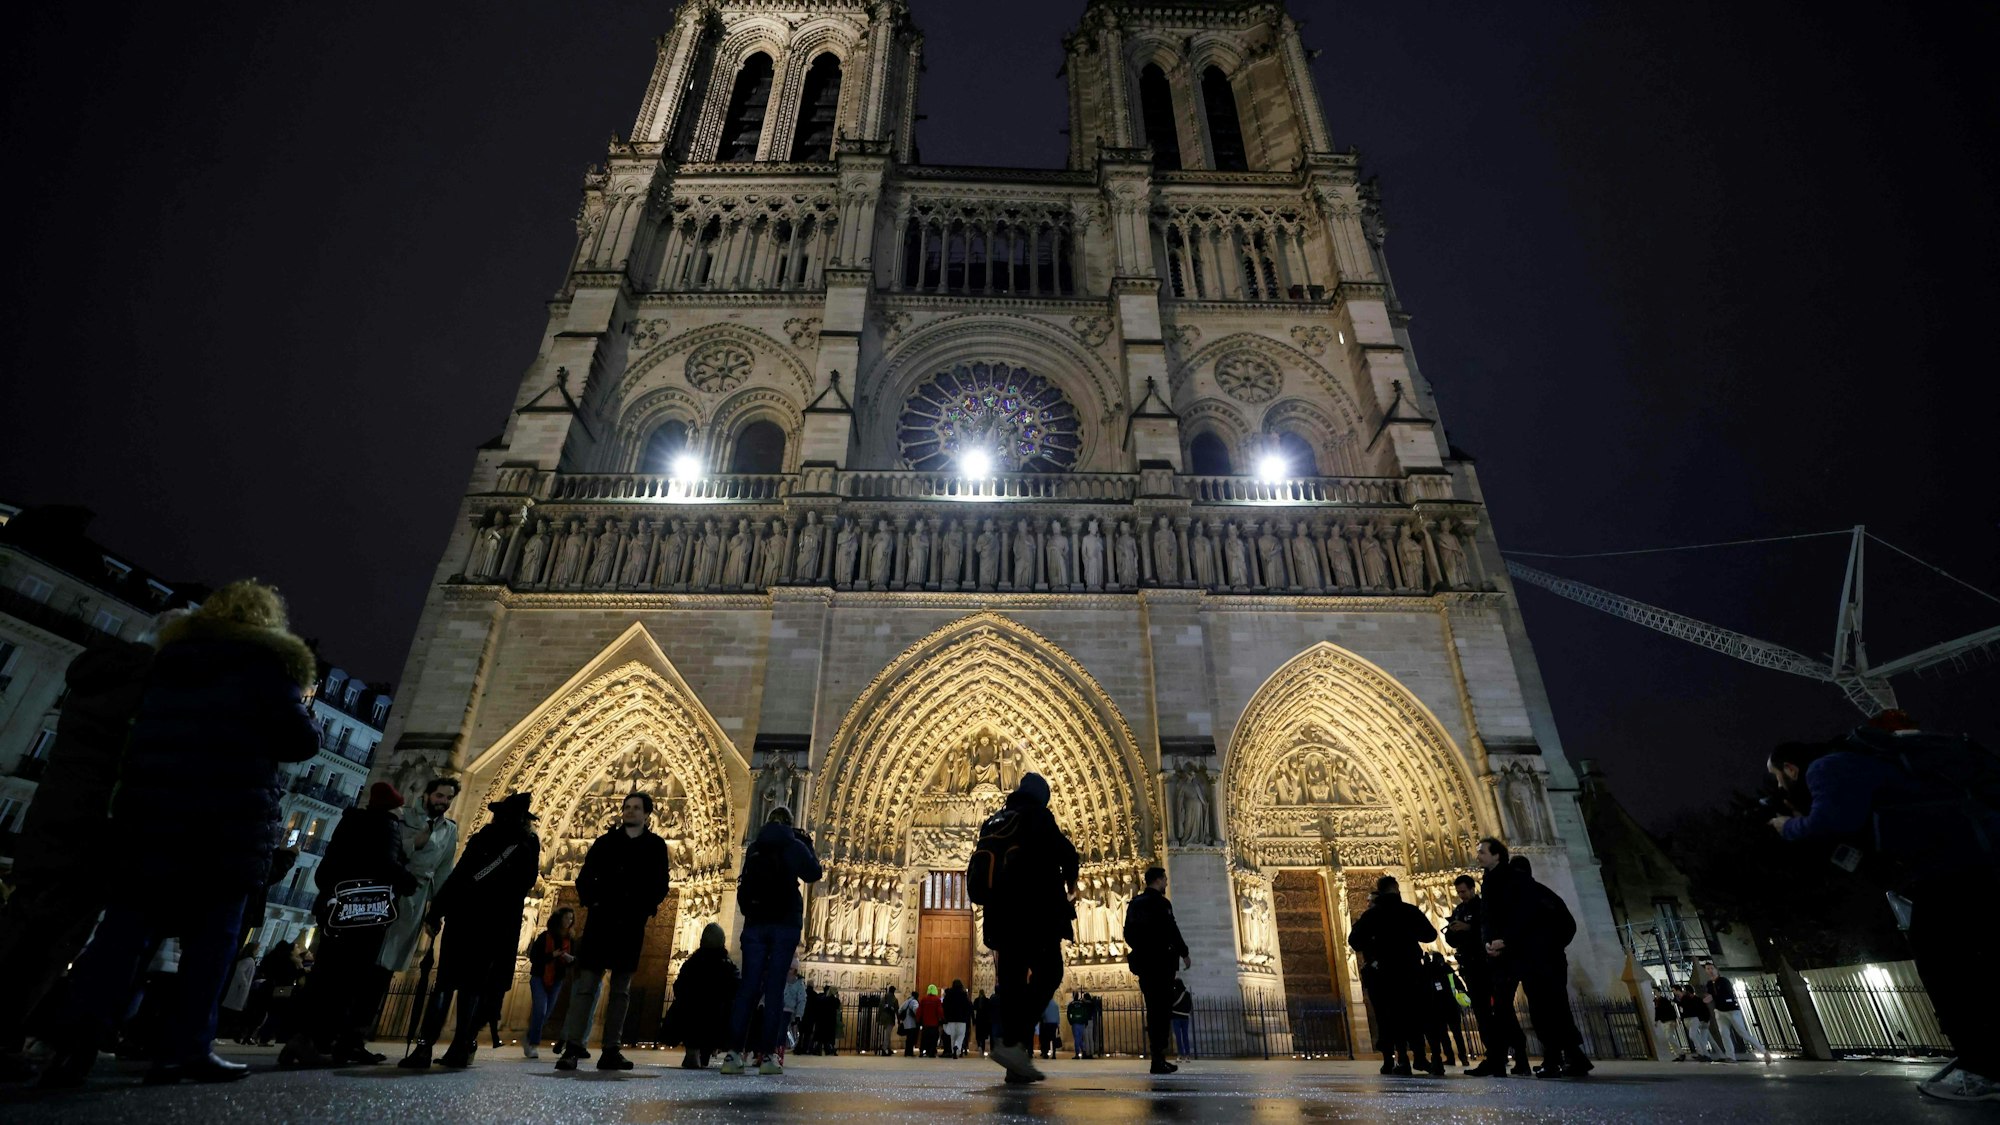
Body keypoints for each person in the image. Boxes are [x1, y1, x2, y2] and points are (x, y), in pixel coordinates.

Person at [38, 585, 320, 1087]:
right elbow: (301, 741)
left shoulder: (165, 662)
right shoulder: (263, 667)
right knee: (212, 942)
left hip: (150, 816)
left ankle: (71, 1043)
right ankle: (183, 1050)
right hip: (224, 822)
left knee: (124, 933)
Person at [1768, 718, 2000, 1102]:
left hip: (1953, 865)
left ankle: (1983, 1068)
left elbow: (1831, 822)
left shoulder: (1826, 767)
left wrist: (1788, 826)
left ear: (1792, 768)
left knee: (1946, 963)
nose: (1778, 785)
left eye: (1778, 777)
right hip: (1972, 854)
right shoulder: (1865, 763)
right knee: (1975, 958)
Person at [0, 617, 174, 1080]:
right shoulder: (149, 686)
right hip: (95, 826)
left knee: (25, 924)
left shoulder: (97, 675)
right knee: (52, 939)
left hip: (51, 818)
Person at [283, 781, 419, 1068]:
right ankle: (318, 1040)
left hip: (335, 910)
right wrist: (407, 880)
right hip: (364, 915)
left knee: (325, 974)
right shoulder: (386, 826)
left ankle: (301, 1038)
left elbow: (327, 869)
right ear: (394, 807)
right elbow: (384, 863)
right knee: (348, 979)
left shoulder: (350, 822)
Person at [400, 791, 540, 1069]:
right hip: (496, 923)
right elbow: (527, 882)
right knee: (473, 987)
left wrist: (437, 911)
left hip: (463, 916)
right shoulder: (527, 842)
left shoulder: (483, 838)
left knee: (445, 983)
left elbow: (459, 875)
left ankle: (424, 1048)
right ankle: (461, 1046)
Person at [555, 792, 672, 1072]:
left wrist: (646, 908)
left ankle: (611, 1048)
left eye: (636, 808)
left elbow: (661, 883)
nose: (630, 812)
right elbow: (584, 878)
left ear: (647, 814)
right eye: (626, 808)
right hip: (601, 922)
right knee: (586, 987)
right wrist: (594, 901)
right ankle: (573, 1047)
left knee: (621, 990)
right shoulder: (605, 843)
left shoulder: (656, 846)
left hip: (631, 925)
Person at [978, 774, 1079, 1084]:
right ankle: (1015, 1042)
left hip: (1000, 919)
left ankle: (1015, 1066)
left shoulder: (994, 820)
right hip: (1034, 916)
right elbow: (1068, 854)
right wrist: (1071, 887)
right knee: (1050, 973)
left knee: (1011, 986)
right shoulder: (1037, 815)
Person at [720, 804, 821, 1076]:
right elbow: (814, 873)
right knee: (775, 990)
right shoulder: (794, 845)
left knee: (748, 989)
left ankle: (732, 1054)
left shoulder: (755, 847)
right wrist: (806, 844)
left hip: (755, 925)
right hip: (784, 925)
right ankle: (768, 1056)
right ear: (789, 824)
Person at [373, 778, 461, 1020]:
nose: (443, 802)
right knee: (373, 958)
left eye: (448, 798)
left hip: (418, 897)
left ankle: (359, 1032)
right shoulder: (403, 817)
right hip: (391, 890)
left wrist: (436, 911)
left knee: (390, 963)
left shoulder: (450, 829)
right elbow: (386, 851)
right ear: (427, 795)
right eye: (439, 796)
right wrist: (415, 843)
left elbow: (445, 869)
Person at [1347, 874, 1438, 1075]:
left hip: (1384, 974)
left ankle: (1399, 1059)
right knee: (1414, 1013)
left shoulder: (1371, 915)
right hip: (1410, 970)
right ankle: (1421, 1057)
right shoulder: (1409, 911)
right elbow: (1430, 935)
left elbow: (1354, 941)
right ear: (1397, 889)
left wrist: (1373, 947)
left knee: (1388, 1016)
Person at [1122, 865, 1191, 1074]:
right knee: (1161, 1011)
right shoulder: (1161, 904)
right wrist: (1184, 953)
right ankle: (1158, 1058)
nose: (1167, 883)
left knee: (1153, 1010)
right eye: (1165, 880)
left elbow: (1128, 934)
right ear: (1158, 880)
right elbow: (1172, 930)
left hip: (1144, 965)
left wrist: (1142, 949)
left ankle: (1157, 1057)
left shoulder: (1135, 904)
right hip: (1162, 964)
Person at [1471, 838, 1531, 1076]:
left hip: (1511, 953)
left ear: (1497, 855)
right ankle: (1507, 1058)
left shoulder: (1510, 879)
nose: (1478, 856)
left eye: (1482, 852)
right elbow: (1487, 917)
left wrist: (1504, 940)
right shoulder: (1489, 880)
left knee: (1504, 1007)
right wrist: (1487, 942)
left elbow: (1519, 915)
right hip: (1494, 953)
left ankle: (1513, 1057)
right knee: (1501, 1008)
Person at [1445, 873, 1509, 1075]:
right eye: (1458, 892)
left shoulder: (1484, 908)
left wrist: (1468, 927)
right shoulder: (1459, 910)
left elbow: (1490, 932)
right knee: (1481, 1013)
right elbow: (1451, 941)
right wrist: (1452, 932)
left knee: (1498, 1011)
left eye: (1463, 891)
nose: (1461, 895)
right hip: (1470, 966)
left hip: (1487, 965)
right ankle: (1492, 1056)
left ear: (1473, 889)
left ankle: (1509, 1055)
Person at [666, 923, 738, 1069]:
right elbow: (735, 989)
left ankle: (692, 1050)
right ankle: (706, 1051)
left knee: (689, 1011)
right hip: (716, 1016)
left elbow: (678, 987)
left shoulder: (691, 963)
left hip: (690, 1015)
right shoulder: (727, 965)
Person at [523, 907, 576, 1058]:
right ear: (559, 919)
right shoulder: (544, 937)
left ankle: (529, 1036)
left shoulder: (570, 940)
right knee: (540, 1009)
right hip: (540, 976)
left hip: (557, 979)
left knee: (546, 1013)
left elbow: (574, 960)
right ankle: (533, 1044)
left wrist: (570, 959)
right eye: (566, 918)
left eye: (571, 919)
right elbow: (534, 956)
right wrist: (552, 955)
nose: (569, 921)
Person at [1699, 961, 1769, 1063]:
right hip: (1719, 1011)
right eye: (1707, 969)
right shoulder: (1709, 984)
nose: (1710, 971)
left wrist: (1712, 996)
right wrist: (1708, 998)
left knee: (1743, 1033)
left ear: (1716, 969)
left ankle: (1764, 1052)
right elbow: (1711, 995)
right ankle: (1731, 1056)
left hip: (1731, 1010)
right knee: (1724, 1034)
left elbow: (1726, 993)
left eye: (1711, 968)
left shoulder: (1724, 981)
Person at [1675, 983, 1716, 1060]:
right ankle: (1708, 1055)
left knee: (1700, 1038)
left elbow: (1704, 1010)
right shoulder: (1690, 999)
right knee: (1707, 1039)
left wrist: (1705, 1020)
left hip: (1703, 1021)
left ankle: (1705, 1055)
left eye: (1684, 990)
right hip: (1701, 1021)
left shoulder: (1696, 999)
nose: (1683, 992)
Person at [1651, 985, 1685, 1061]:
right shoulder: (1656, 1001)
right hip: (1663, 1021)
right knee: (1669, 1037)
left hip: (1669, 1020)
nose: (1654, 993)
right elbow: (1658, 1012)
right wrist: (1656, 1020)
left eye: (1655, 992)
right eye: (1653, 992)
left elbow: (1672, 1010)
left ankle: (1681, 1052)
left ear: (1659, 992)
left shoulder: (1664, 1000)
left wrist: (1674, 1019)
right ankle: (1679, 1053)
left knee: (1669, 1037)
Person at [783, 965, 808, 1062]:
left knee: (783, 1033)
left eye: (791, 968)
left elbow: (802, 1000)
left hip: (789, 1011)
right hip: (777, 1009)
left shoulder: (799, 983)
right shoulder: (781, 978)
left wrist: (798, 1015)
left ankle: (779, 1053)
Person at [942, 979, 972, 1059]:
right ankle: (957, 1047)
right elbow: (968, 1007)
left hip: (951, 1019)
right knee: (961, 1035)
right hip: (961, 1020)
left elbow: (944, 1006)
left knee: (953, 1036)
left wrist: (946, 1017)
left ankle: (953, 1051)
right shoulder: (964, 995)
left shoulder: (949, 994)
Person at [1169, 978, 1194, 1059]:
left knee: (1178, 1036)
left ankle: (1180, 1054)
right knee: (1185, 1036)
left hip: (1176, 1017)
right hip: (1185, 1017)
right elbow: (1190, 1005)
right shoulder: (1187, 994)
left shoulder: (1173, 993)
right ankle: (1187, 1054)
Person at [918, 984, 944, 1057]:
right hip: (934, 1023)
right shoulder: (937, 1000)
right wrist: (942, 1018)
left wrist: (918, 1019)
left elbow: (919, 1010)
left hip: (925, 1022)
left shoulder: (924, 999)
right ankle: (931, 1052)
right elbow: (939, 1011)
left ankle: (922, 1050)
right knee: (933, 1038)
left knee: (924, 1037)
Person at [1066, 993, 1089, 1059]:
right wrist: (1085, 1021)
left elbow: (1069, 1014)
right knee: (1080, 1038)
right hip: (1081, 1023)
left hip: (1075, 1023)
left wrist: (1071, 1021)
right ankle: (1084, 1051)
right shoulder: (1082, 1004)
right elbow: (1085, 1013)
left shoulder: (1071, 1004)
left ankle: (1077, 1053)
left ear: (1073, 996)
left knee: (1076, 1038)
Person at [899, 989, 921, 1057]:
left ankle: (907, 1052)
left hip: (906, 1023)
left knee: (908, 1038)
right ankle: (910, 1052)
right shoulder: (914, 1002)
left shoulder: (907, 1001)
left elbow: (900, 1010)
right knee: (911, 1039)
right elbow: (916, 1010)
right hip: (912, 1023)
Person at [971, 989, 992, 1057]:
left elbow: (974, 1010)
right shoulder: (987, 1000)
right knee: (983, 1035)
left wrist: (974, 1020)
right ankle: (982, 1048)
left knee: (978, 1034)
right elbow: (989, 1011)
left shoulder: (976, 1000)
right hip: (985, 1020)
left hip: (978, 1019)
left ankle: (979, 1045)